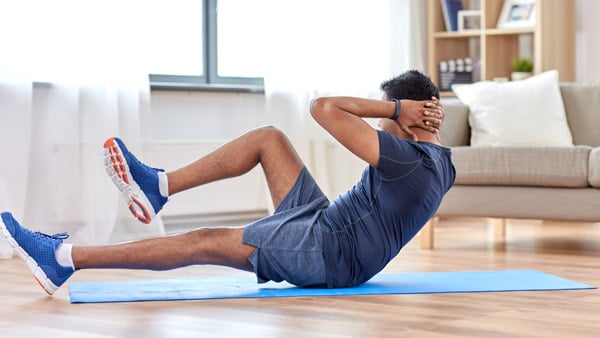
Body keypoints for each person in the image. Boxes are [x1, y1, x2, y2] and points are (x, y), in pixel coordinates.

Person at [1, 70, 455, 295]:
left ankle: (64, 259)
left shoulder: (407, 158)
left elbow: (323, 109)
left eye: (388, 113)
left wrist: (396, 113)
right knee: (268, 140)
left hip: (328, 251)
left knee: (206, 240)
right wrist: (403, 115)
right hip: (326, 226)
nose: (380, 123)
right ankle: (158, 187)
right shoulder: (443, 164)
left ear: (414, 115)